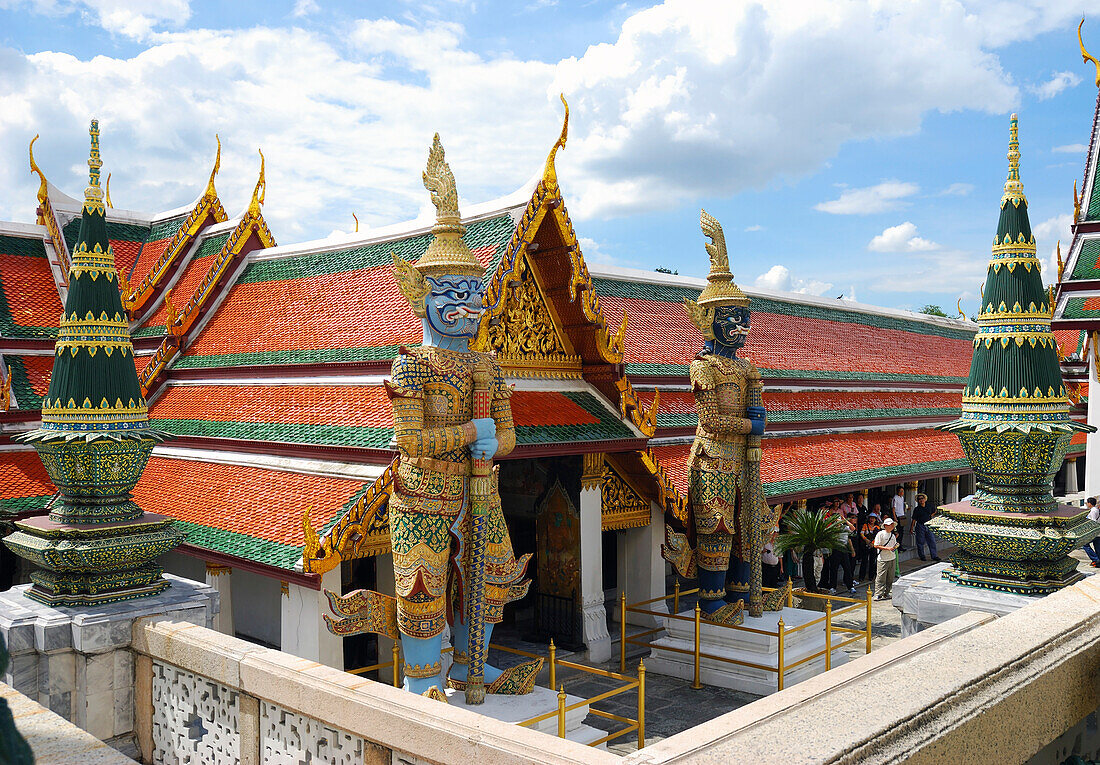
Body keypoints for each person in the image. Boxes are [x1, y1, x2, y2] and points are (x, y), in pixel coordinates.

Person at [828, 511, 857, 595]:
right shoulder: (832, 528)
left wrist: (844, 520)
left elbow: (853, 528)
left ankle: (850, 586)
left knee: (847, 568)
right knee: (834, 568)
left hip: (844, 549)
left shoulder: (845, 527)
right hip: (836, 548)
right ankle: (833, 587)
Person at [873, 518, 900, 600]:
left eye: (892, 525)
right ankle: (878, 593)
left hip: (892, 558)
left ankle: (887, 592)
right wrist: (887, 548)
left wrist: (895, 546)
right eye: (889, 525)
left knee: (890, 577)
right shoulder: (880, 534)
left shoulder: (892, 535)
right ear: (885, 526)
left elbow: (894, 544)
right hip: (883, 559)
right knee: (881, 577)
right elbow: (876, 545)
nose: (891, 526)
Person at [910, 493, 941, 562]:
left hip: (928, 525)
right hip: (920, 525)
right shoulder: (917, 509)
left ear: (925, 499)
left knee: (932, 541)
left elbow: (935, 511)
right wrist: (911, 528)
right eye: (919, 499)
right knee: (920, 542)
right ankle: (922, 556)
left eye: (922, 498)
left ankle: (934, 556)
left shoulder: (929, 506)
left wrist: (931, 516)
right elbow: (914, 519)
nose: (921, 500)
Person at [859, 510, 882, 582]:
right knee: (864, 561)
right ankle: (861, 577)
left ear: (875, 519)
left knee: (872, 561)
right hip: (866, 545)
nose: (872, 519)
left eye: (873, 518)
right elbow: (861, 533)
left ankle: (871, 576)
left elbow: (878, 536)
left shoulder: (877, 527)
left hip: (873, 546)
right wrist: (866, 540)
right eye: (871, 518)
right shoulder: (865, 526)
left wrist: (873, 543)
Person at [891, 486, 908, 551]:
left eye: (902, 491)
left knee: (901, 532)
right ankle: (896, 547)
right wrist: (895, 517)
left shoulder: (902, 498)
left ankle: (900, 546)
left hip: (902, 515)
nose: (902, 493)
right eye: (900, 491)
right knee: (897, 532)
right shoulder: (895, 498)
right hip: (897, 516)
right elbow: (893, 509)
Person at [1085, 497, 1100, 567]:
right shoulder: (1095, 510)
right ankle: (1098, 561)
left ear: (1090, 503)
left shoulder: (1093, 511)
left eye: (1087, 503)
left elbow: (1093, 521)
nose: (1087, 504)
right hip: (1097, 533)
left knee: (1085, 544)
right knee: (1097, 547)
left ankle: (1095, 559)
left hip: (1094, 532)